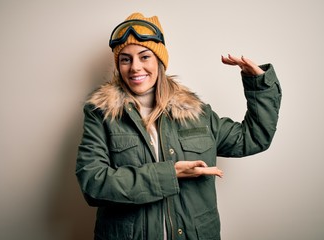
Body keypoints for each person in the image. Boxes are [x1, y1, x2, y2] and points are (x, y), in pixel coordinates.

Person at [76, 12, 282, 240]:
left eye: (144, 57)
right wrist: (170, 174)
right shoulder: (101, 114)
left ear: (159, 61)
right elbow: (93, 184)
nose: (135, 67)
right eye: (125, 59)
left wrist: (260, 85)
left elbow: (253, 138)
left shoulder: (196, 113)